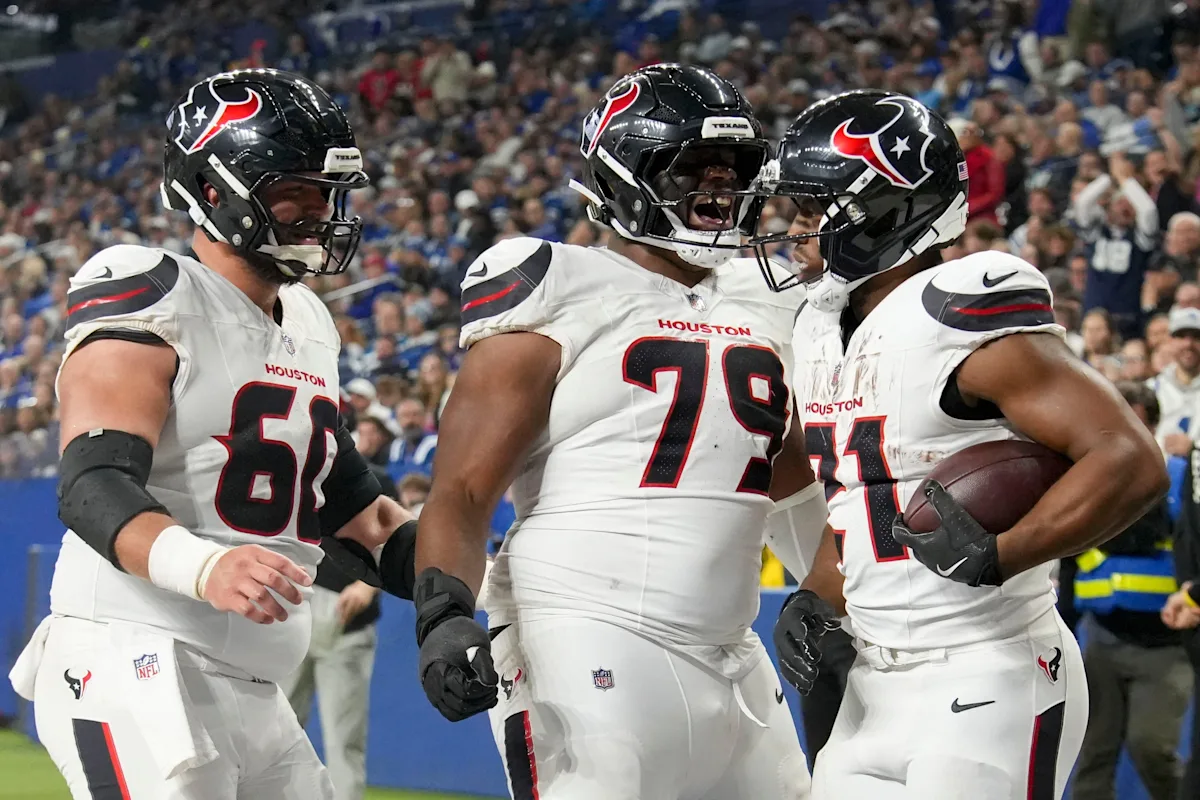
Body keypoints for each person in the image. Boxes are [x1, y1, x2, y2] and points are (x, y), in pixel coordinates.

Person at [411, 64, 832, 800]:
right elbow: (465, 488)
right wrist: (442, 613)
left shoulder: (762, 303)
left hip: (731, 650)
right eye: (695, 164)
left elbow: (789, 487)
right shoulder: (555, 282)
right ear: (625, 173)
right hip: (579, 629)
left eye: (734, 165)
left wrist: (832, 598)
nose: (721, 183)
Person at [7, 70, 421, 799]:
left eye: (326, 194)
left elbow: (356, 511)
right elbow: (92, 484)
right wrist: (206, 567)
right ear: (214, 189)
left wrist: (473, 586)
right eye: (295, 191)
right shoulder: (150, 288)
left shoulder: (309, 322)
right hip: (132, 655)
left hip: (252, 683)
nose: (319, 214)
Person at [757, 90, 1168, 800]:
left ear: (888, 210)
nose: (796, 229)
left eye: (814, 208)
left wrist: (1003, 553)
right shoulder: (818, 325)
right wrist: (817, 594)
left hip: (987, 668)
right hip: (873, 682)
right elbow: (858, 497)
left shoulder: (956, 309)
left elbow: (1129, 459)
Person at [1070, 382, 1189, 800]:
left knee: (1151, 748)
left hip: (1166, 645)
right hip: (1101, 637)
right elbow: (1069, 556)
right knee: (1093, 755)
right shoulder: (1082, 476)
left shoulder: (1180, 477)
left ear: (1153, 426)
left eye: (1136, 423)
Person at [281, 412, 398, 800]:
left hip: (347, 618)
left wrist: (370, 585)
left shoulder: (375, 480)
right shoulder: (293, 475)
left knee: (343, 739)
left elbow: (399, 541)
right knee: (276, 733)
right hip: (295, 606)